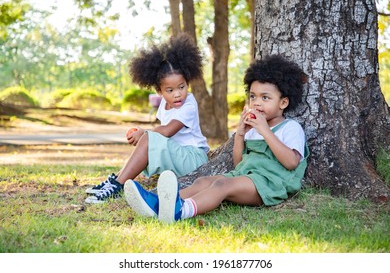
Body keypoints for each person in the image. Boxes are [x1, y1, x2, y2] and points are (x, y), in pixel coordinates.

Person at [124, 55, 309, 222]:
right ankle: (158, 204)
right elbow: (239, 164)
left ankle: (181, 211)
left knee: (221, 184)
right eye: (253, 96)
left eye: (265, 98)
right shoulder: (254, 129)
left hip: (270, 184)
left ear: (283, 102)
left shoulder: (290, 128)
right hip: (245, 177)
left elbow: (292, 162)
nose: (257, 102)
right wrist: (241, 134)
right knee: (203, 181)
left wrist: (265, 131)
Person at [84, 33, 209, 204]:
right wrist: (145, 135)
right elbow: (161, 137)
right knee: (149, 140)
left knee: (150, 138)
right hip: (177, 157)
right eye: (170, 90)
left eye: (182, 87)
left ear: (187, 83)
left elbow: (166, 131)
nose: (178, 94)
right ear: (160, 92)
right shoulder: (164, 107)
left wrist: (144, 133)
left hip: (194, 159)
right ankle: (116, 179)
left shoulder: (189, 103)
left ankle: (118, 185)